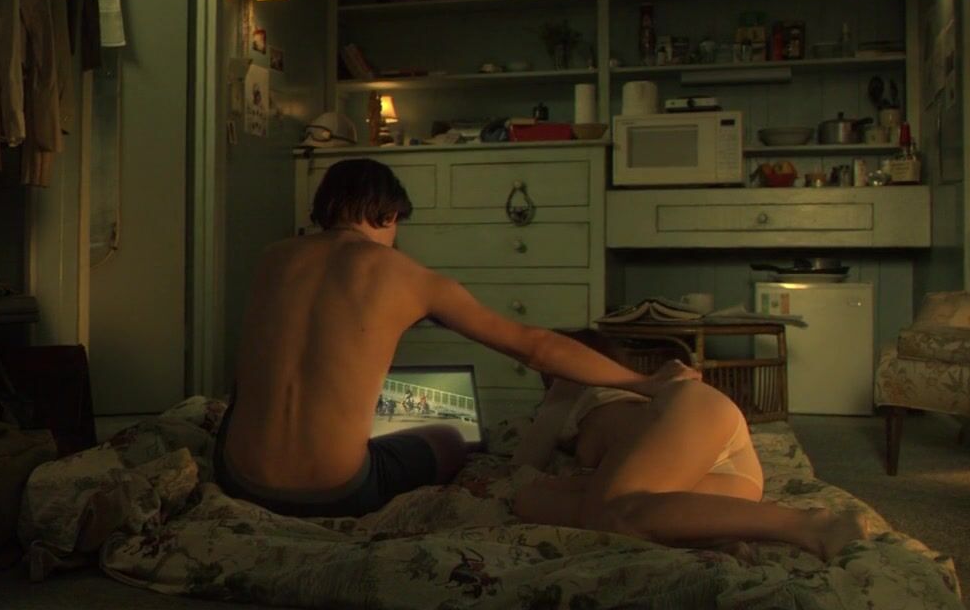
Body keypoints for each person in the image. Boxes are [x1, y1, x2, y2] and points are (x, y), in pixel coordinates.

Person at [215, 158, 689, 518]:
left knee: (380, 401)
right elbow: (536, 346)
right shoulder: (409, 276)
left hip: (237, 477)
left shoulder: (273, 257)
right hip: (336, 491)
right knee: (451, 429)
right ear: (389, 214)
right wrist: (644, 383)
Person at [511, 330, 870, 561]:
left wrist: (554, 398)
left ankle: (813, 525)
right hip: (730, 476)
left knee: (597, 512)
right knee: (538, 501)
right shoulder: (621, 389)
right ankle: (706, 535)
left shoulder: (575, 385)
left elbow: (525, 462)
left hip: (694, 413)